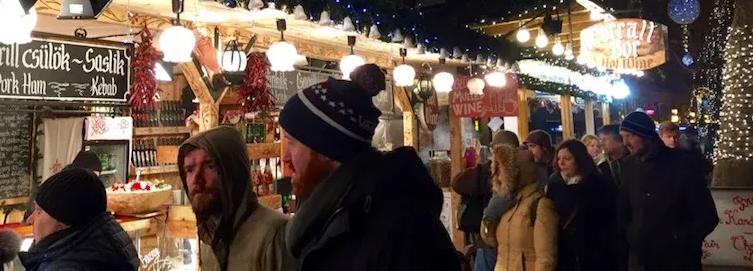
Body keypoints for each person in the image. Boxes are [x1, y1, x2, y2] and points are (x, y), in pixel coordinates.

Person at [280, 64, 463, 270]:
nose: (285, 157)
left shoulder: (402, 228)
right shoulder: (332, 211)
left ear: (325, 148)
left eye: (292, 142)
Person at [177, 125, 293, 271]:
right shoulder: (211, 241)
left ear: (233, 171)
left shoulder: (275, 235)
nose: (196, 179)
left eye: (210, 166)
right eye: (189, 170)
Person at [617, 111, 719, 271]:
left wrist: (678, 241)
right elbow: (624, 208)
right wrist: (631, 234)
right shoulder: (629, 166)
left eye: (630, 136)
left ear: (646, 135)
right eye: (622, 136)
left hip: (677, 261)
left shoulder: (683, 165)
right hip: (640, 259)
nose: (625, 142)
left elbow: (707, 217)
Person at [20, 167, 140, 271]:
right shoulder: (105, 245)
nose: (31, 219)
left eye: (39, 211)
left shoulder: (67, 267)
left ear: (62, 219)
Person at [480, 144, 559, 271]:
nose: (497, 176)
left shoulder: (540, 206)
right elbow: (490, 241)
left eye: (502, 171)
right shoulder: (506, 204)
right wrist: (489, 216)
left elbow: (546, 258)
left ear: (516, 174)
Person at [453, 130, 521, 271]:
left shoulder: (487, 172)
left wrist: (479, 169)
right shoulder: (525, 169)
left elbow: (457, 184)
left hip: (490, 237)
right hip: (515, 237)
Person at [546, 139, 617, 271]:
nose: (561, 163)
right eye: (559, 158)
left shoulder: (599, 186)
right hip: (564, 252)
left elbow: (608, 222)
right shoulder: (555, 184)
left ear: (579, 160)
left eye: (567, 158)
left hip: (593, 253)